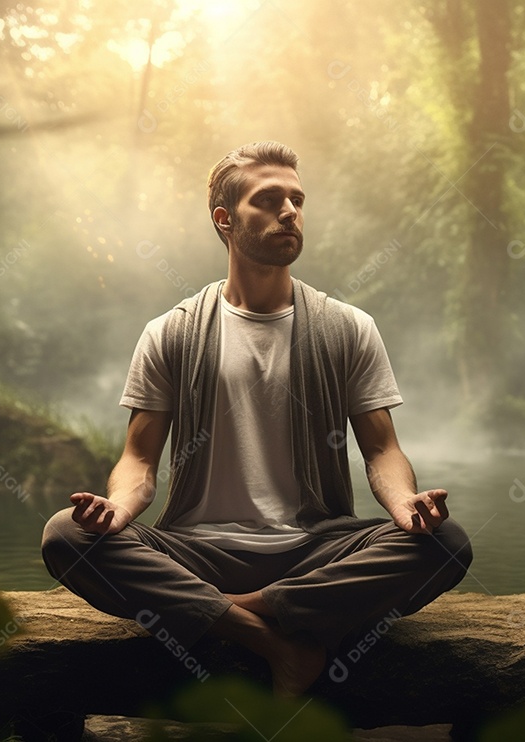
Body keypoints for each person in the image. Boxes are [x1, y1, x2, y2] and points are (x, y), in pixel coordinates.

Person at [41, 141, 472, 696]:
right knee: (64, 535)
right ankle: (277, 641)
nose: (289, 211)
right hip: (199, 550)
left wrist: (405, 506)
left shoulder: (349, 327)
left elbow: (383, 450)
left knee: (446, 542)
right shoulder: (170, 331)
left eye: (296, 199)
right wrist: (117, 510)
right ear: (225, 220)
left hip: (317, 547)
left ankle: (228, 613)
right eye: (268, 200)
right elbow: (139, 458)